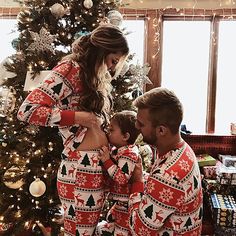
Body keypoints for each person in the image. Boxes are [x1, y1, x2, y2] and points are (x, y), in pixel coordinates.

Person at [17, 24, 129, 236]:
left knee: (87, 231)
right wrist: (79, 117)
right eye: (113, 60)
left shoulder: (91, 76)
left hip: (94, 169)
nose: (113, 68)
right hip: (79, 171)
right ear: (102, 51)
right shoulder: (71, 69)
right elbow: (27, 111)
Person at [129, 87, 203, 235]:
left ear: (161, 130)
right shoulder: (183, 149)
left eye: (141, 124)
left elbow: (139, 230)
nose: (136, 126)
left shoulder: (167, 175)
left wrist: (137, 182)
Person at [96, 110, 141, 236]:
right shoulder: (119, 150)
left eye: (112, 130)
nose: (108, 133)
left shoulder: (129, 153)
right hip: (120, 204)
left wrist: (106, 161)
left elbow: (122, 179)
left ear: (125, 136)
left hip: (127, 205)